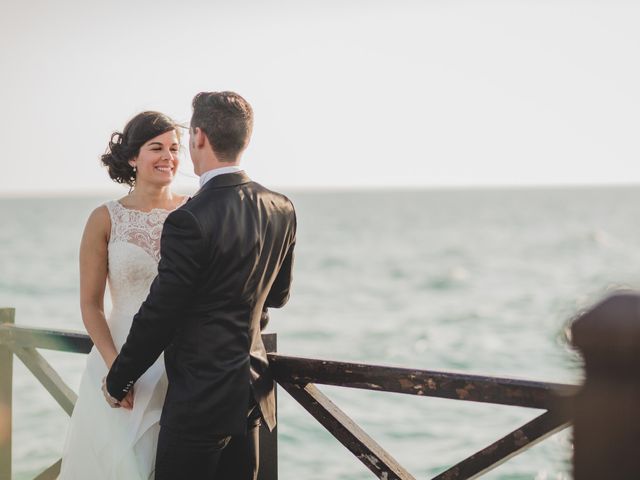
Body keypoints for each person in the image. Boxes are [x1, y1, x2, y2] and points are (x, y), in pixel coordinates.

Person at [103, 91, 297, 480]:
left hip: (198, 400)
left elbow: (161, 312)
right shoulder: (282, 207)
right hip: (252, 393)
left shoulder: (189, 218)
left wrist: (118, 378)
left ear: (199, 138)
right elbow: (278, 296)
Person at [59, 111, 187, 479]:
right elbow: (90, 305)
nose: (169, 157)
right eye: (156, 147)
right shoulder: (105, 218)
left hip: (181, 361)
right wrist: (118, 368)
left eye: (175, 148)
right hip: (119, 354)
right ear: (133, 157)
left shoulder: (193, 210)